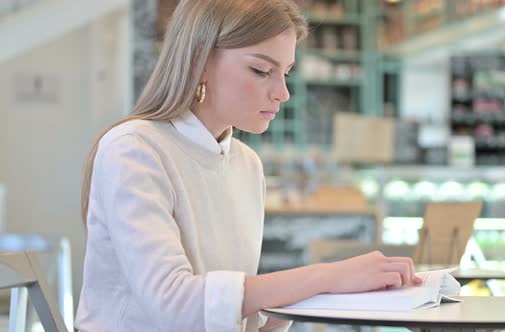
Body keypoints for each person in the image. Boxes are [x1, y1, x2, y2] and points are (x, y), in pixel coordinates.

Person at [75, 0, 421, 331]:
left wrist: (283, 311)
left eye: (285, 72)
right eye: (261, 70)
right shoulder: (134, 149)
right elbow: (174, 306)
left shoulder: (246, 164)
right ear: (199, 60)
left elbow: (224, 313)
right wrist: (327, 277)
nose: (283, 93)